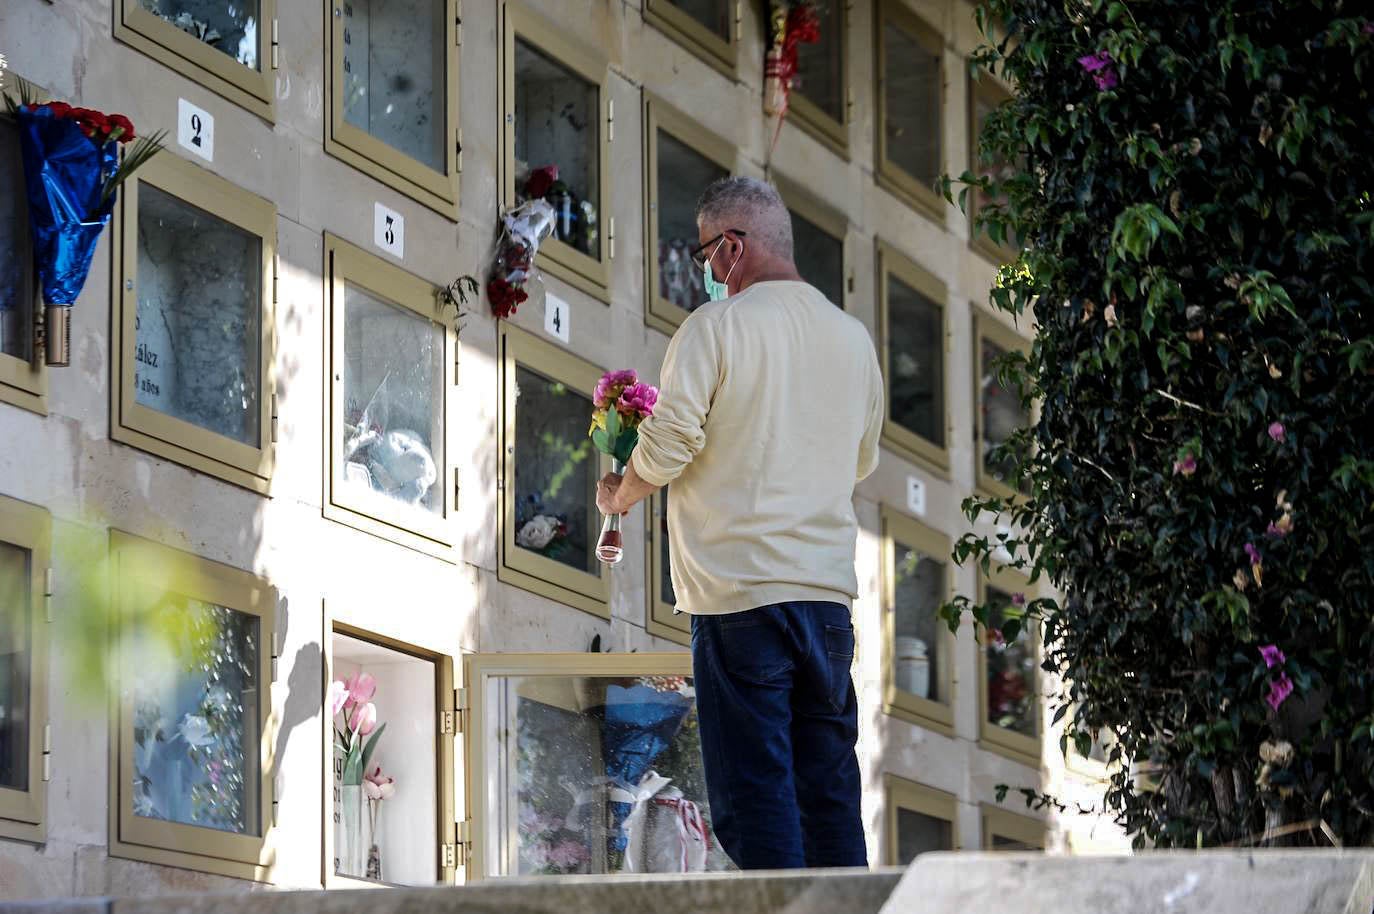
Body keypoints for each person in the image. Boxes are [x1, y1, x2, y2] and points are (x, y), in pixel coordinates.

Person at [595, 176, 884, 870]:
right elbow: (861, 461)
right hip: (826, 604)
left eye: (704, 258)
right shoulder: (853, 340)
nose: (706, 274)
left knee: (757, 801)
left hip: (740, 602)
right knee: (829, 792)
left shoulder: (715, 327)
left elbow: (667, 446)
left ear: (731, 247)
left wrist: (621, 495)